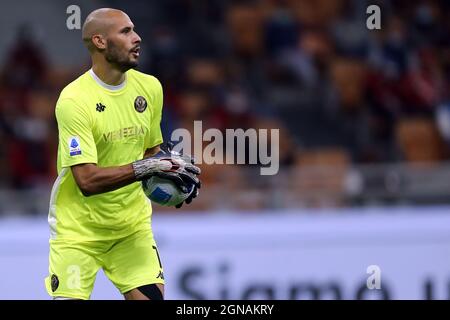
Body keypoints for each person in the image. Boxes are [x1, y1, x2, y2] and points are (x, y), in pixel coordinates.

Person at [44, 8, 201, 300]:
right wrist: (150, 166)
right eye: (126, 32)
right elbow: (87, 181)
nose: (137, 38)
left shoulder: (150, 88)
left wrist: (172, 175)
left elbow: (152, 151)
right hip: (78, 233)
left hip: (131, 229)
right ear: (100, 42)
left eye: (135, 30)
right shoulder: (74, 100)